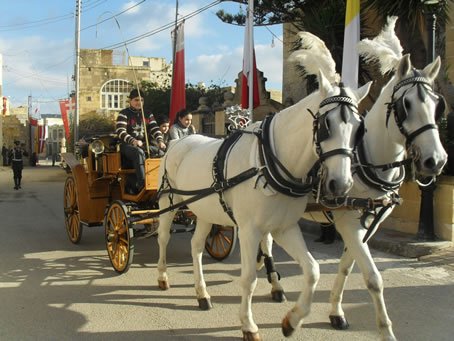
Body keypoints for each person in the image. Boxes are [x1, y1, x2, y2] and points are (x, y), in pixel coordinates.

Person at [116, 88, 166, 194]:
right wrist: (133, 140)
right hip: (127, 146)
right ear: (130, 101)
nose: (139, 102)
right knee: (138, 153)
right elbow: (120, 131)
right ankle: (142, 184)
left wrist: (160, 141)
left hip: (143, 145)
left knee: (161, 153)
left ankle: (161, 181)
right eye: (136, 100)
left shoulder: (148, 114)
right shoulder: (124, 113)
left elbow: (154, 129)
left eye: (141, 100)